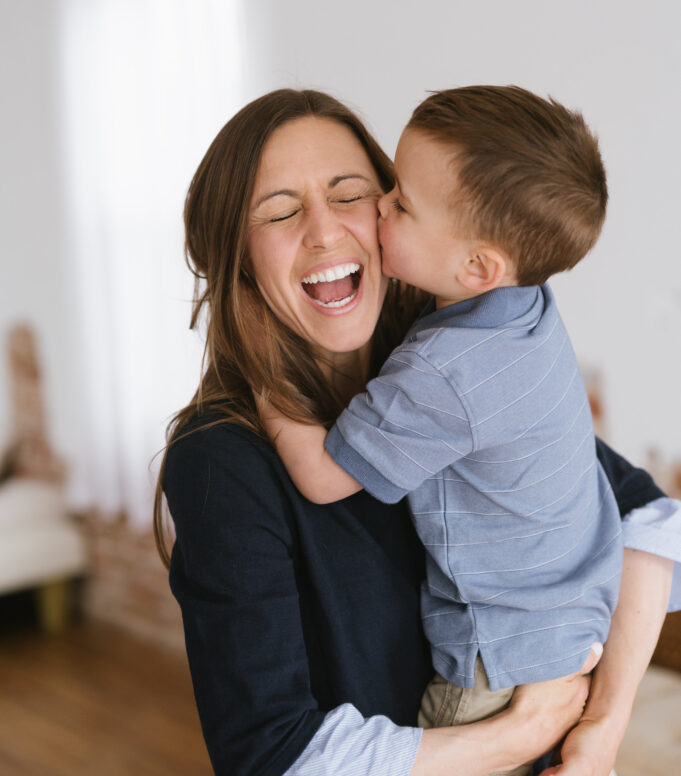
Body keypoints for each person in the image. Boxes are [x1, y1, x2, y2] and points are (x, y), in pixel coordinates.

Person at [155, 88, 677, 776]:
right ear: (234, 255)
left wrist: (601, 729)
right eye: (280, 210)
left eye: (353, 195)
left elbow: (647, 517)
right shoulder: (220, 462)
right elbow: (269, 756)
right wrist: (515, 736)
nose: (324, 229)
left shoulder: (446, 371)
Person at [259, 86, 622, 775]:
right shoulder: (528, 306)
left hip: (493, 662)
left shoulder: (443, 371)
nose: (377, 208)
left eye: (399, 204)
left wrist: (264, 378)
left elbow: (323, 474)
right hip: (566, 625)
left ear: (477, 266)